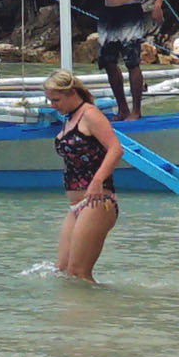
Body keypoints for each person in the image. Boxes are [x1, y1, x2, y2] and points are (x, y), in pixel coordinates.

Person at [44, 74, 125, 281]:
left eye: (56, 100)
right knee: (62, 271)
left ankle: (97, 311)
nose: (52, 105)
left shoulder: (90, 114)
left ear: (71, 93)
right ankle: (75, 311)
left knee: (79, 273)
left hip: (98, 201)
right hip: (76, 205)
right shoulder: (70, 118)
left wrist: (97, 181)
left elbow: (115, 149)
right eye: (50, 100)